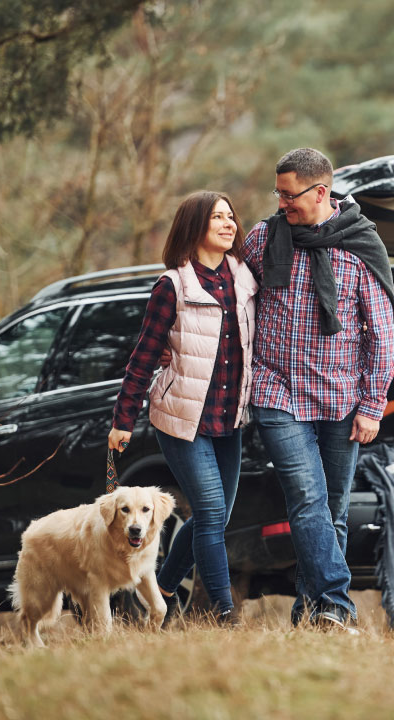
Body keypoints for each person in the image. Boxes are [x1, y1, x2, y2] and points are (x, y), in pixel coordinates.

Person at [242, 148, 394, 631]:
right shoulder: (264, 238)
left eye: (289, 195)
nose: (282, 203)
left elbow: (384, 337)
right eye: (279, 194)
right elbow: (225, 297)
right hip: (277, 393)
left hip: (340, 400)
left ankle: (311, 611)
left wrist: (372, 407)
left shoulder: (358, 247)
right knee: (307, 499)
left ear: (321, 192)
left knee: (331, 510)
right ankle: (336, 604)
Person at [108, 190, 258, 623]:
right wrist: (123, 418)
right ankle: (224, 615)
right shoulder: (172, 286)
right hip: (181, 419)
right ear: (195, 227)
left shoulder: (246, 280)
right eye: (217, 218)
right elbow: (143, 356)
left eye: (231, 217)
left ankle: (163, 588)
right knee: (210, 513)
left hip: (230, 418)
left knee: (216, 517)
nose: (229, 224)